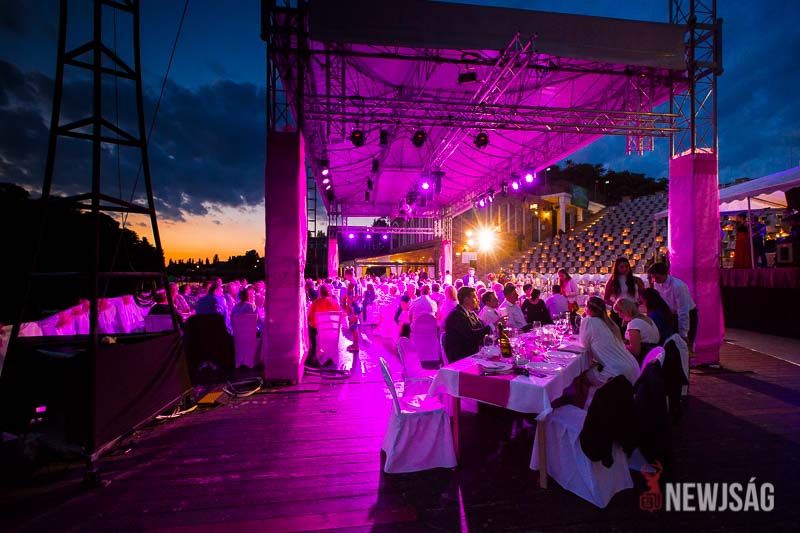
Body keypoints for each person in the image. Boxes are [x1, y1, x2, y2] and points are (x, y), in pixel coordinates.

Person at [580, 296, 640, 387]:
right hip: (633, 368)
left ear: (588, 309)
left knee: (580, 375)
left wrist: (583, 320)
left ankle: (589, 396)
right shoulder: (610, 323)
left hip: (617, 374)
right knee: (592, 368)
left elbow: (584, 345)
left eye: (585, 307)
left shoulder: (590, 321)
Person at [647, 263, 698, 349]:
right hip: (671, 314)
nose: (654, 280)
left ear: (666, 274)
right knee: (672, 345)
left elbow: (683, 311)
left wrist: (683, 333)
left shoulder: (678, 286)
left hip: (688, 315)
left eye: (657, 277)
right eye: (653, 277)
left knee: (685, 345)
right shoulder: (656, 283)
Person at [444, 287, 491, 362]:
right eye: (475, 297)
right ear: (466, 299)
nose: (478, 300)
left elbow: (481, 329)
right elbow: (471, 336)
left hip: (474, 353)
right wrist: (492, 326)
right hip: (462, 357)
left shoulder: (471, 313)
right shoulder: (456, 315)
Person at [613, 297, 660, 363]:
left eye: (618, 313)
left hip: (644, 358)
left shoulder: (634, 323)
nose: (619, 316)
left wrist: (619, 345)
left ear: (624, 311)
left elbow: (635, 351)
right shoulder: (646, 319)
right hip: (654, 354)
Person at [604, 256, 645, 331]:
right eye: (621, 267)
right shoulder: (612, 281)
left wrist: (638, 303)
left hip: (632, 310)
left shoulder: (637, 280)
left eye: (626, 266)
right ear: (617, 268)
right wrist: (617, 305)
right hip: (618, 312)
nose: (624, 269)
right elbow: (606, 299)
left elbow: (643, 295)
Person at [307, 284, 342, 367]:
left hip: (318, 332)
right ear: (328, 292)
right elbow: (341, 315)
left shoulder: (315, 302)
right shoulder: (335, 302)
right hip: (332, 332)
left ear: (320, 292)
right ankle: (328, 353)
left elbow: (309, 317)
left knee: (310, 327)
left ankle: (313, 353)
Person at [342, 267, 362, 352]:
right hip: (354, 306)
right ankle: (354, 343)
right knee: (353, 325)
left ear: (348, 275)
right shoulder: (355, 282)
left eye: (345, 275)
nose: (345, 277)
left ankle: (356, 345)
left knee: (354, 326)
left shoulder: (354, 284)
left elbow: (356, 296)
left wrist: (349, 300)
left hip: (354, 307)